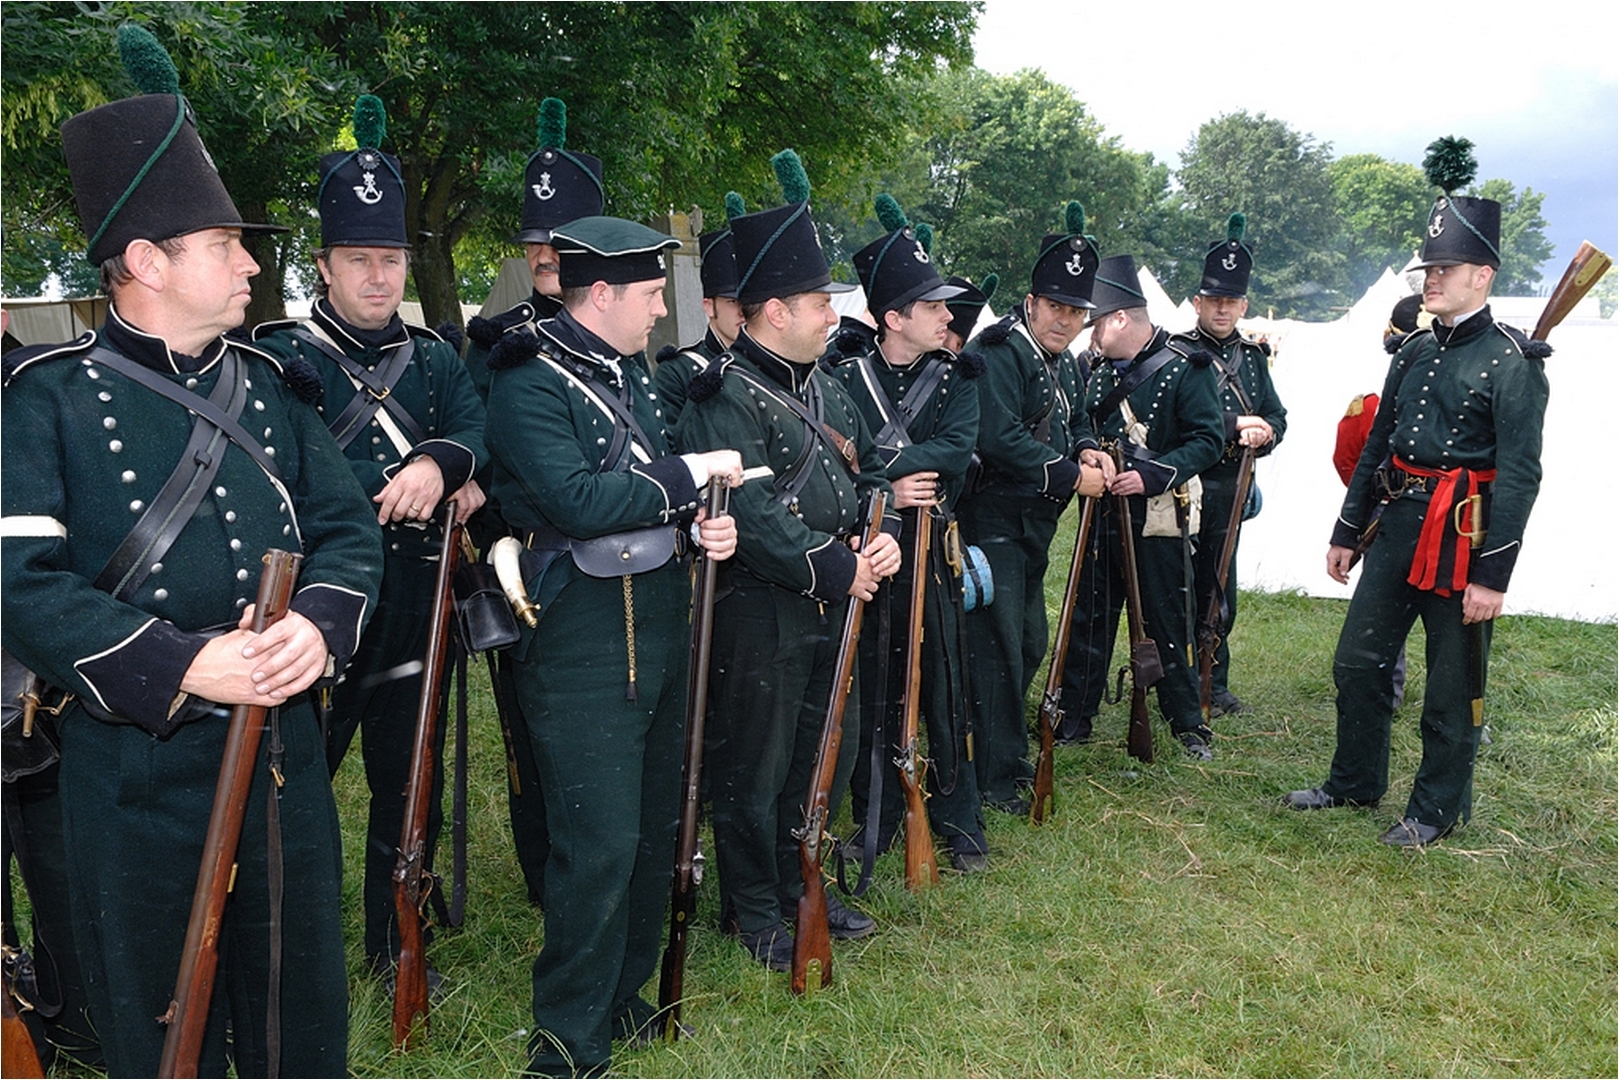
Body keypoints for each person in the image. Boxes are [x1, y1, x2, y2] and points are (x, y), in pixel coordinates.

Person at [0, 26, 381, 1076]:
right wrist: (179, 663)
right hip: (133, 762)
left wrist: (319, 626)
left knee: (298, 1005)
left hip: (283, 752)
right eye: (225, 244)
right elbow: (19, 583)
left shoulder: (273, 387)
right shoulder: (44, 401)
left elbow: (346, 529)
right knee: (166, 1018)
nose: (252, 263)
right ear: (146, 262)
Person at [483, 215, 741, 1075]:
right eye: (650, 295)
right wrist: (689, 476)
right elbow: (579, 502)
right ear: (601, 294)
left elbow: (640, 494)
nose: (661, 311)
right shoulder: (527, 379)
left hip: (658, 613)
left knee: (652, 828)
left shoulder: (626, 372)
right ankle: (565, 1040)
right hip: (581, 634)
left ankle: (626, 999)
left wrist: (699, 526)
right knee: (595, 844)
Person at [251, 95, 488, 982]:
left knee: (410, 767)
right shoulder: (280, 355)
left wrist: (441, 462)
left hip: (419, 591)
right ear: (324, 266)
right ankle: (291, 943)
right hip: (324, 599)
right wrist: (399, 484)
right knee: (301, 775)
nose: (379, 278)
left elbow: (475, 426)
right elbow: (280, 464)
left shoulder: (431, 355)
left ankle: (396, 939)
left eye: (390, 260)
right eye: (359, 260)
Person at [1287, 137, 1548, 846]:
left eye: (1444, 269)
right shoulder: (1413, 349)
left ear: (1482, 276)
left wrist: (1493, 574)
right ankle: (1353, 782)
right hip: (1399, 523)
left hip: (1464, 535)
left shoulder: (1513, 361)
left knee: (1451, 683)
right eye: (1428, 269)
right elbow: (1377, 447)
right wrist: (1347, 531)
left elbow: (1521, 474)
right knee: (1357, 661)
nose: (1430, 279)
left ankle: (1435, 809)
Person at [679, 150, 900, 970]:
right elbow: (748, 510)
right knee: (756, 765)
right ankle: (753, 910)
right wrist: (836, 568)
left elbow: (871, 471)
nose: (829, 316)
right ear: (774, 311)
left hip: (835, 596)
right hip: (761, 609)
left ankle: (799, 880)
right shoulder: (722, 394)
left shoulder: (824, 386)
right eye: (817, 304)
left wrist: (883, 533)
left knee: (821, 750)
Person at [463, 96, 603, 906]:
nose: (545, 254)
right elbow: (473, 439)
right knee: (529, 722)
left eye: (562, 238)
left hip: (610, 558)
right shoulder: (499, 340)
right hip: (525, 558)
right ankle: (545, 867)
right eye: (535, 241)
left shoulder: (622, 335)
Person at [830, 195, 989, 873]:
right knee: (874, 685)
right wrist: (886, 488)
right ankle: (878, 818)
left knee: (945, 683)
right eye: (931, 307)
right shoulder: (842, 378)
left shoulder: (957, 377)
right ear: (893, 318)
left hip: (934, 550)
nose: (948, 317)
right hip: (873, 550)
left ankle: (959, 820)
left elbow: (956, 451)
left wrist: (874, 465)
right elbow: (837, 456)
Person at [956, 201, 1104, 814]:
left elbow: (1077, 417)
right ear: (1032, 301)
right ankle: (994, 777)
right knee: (1000, 650)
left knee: (1028, 643)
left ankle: (1002, 755)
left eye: (1076, 311)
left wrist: (1088, 448)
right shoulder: (1000, 351)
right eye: (1055, 306)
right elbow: (997, 436)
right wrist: (1069, 474)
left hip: (1032, 525)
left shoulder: (1061, 361)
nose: (1065, 320)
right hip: (994, 519)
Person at [1062, 254, 1225, 758]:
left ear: (1119, 318)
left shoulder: (1186, 366)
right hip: (1103, 511)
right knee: (1091, 614)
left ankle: (1186, 723)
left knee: (1167, 618)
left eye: (1095, 324)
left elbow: (1208, 440)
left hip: (1157, 515)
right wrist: (1087, 450)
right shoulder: (1095, 369)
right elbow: (1082, 421)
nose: (1090, 335)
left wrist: (1153, 474)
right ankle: (1075, 716)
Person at [1171, 213, 1288, 718]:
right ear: (1197, 303)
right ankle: (1176, 680)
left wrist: (1266, 432)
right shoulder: (1174, 353)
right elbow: (1173, 422)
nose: (1222, 309)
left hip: (1230, 485)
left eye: (1231, 301)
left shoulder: (1254, 357)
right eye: (1213, 299)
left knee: (1220, 587)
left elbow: (1277, 415)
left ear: (1243, 305)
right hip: (1184, 484)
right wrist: (1235, 423)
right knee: (1178, 584)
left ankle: (1213, 680)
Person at [651, 192, 747, 433]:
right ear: (708, 306)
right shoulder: (677, 372)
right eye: (732, 302)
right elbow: (670, 443)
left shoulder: (772, 365)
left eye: (749, 302)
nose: (743, 312)